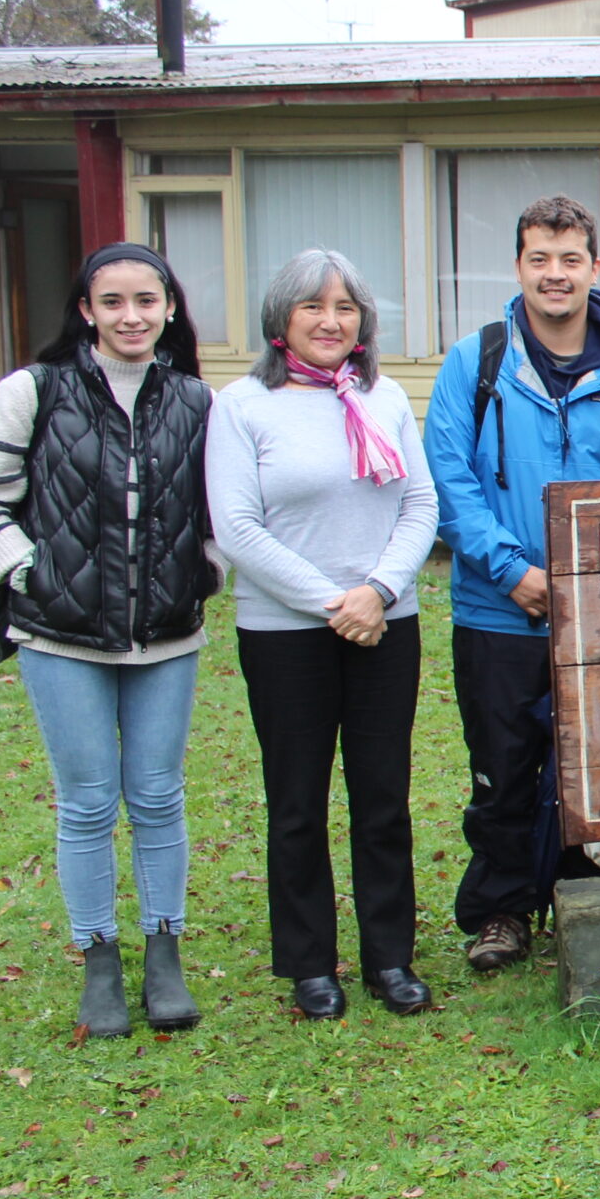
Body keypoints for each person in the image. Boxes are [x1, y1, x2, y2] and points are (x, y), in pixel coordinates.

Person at [0, 244, 217, 1037]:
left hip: (165, 639)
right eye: (113, 302)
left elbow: (222, 506)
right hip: (60, 638)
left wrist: (204, 568)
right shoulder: (33, 391)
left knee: (159, 796)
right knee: (89, 801)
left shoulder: (197, 399)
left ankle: (164, 954)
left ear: (170, 308)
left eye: (146, 300)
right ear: (86, 310)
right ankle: (99, 960)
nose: (131, 316)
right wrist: (26, 569)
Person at [424, 195, 600, 974]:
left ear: (594, 267)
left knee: (591, 768)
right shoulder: (476, 362)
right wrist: (512, 571)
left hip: (598, 617)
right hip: (498, 610)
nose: (554, 274)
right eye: (539, 258)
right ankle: (500, 911)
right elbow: (450, 480)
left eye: (569, 259)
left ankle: (581, 900)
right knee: (502, 769)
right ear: (519, 266)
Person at [207, 249, 440, 1019]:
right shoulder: (242, 406)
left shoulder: (384, 397)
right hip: (285, 632)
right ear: (281, 317)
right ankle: (310, 963)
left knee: (383, 798)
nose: (331, 321)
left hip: (386, 625)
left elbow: (420, 505)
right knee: (297, 801)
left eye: (345, 307)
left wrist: (377, 592)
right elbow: (237, 527)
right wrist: (334, 602)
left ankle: (390, 956)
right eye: (313, 305)